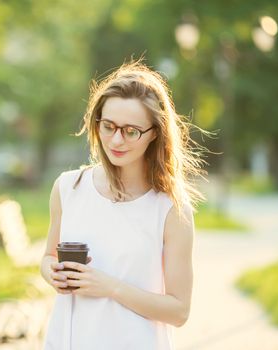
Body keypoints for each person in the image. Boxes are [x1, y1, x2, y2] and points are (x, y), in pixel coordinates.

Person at [39, 59, 206, 350]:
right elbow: (47, 258)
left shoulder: (170, 209)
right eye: (108, 126)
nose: (116, 140)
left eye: (131, 131)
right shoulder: (68, 188)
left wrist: (109, 286)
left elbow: (179, 311)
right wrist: (52, 273)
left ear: (154, 133)